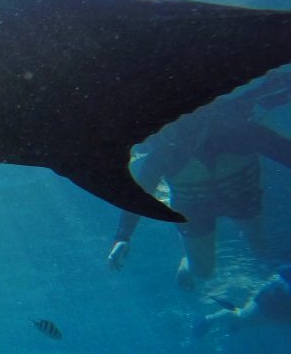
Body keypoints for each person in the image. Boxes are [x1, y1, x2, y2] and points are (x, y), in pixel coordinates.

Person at [107, 90, 291, 290]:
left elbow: (285, 152)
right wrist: (123, 237)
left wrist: (123, 237)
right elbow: (138, 197)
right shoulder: (163, 156)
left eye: (186, 126)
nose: (179, 135)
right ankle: (189, 260)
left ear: (204, 115)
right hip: (194, 209)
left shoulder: (240, 133)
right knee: (203, 271)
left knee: (262, 250)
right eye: (171, 129)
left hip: (242, 196)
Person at [193, 265, 291, 337]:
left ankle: (237, 323)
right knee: (244, 315)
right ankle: (208, 319)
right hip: (275, 297)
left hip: (281, 301)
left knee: (250, 320)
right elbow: (282, 271)